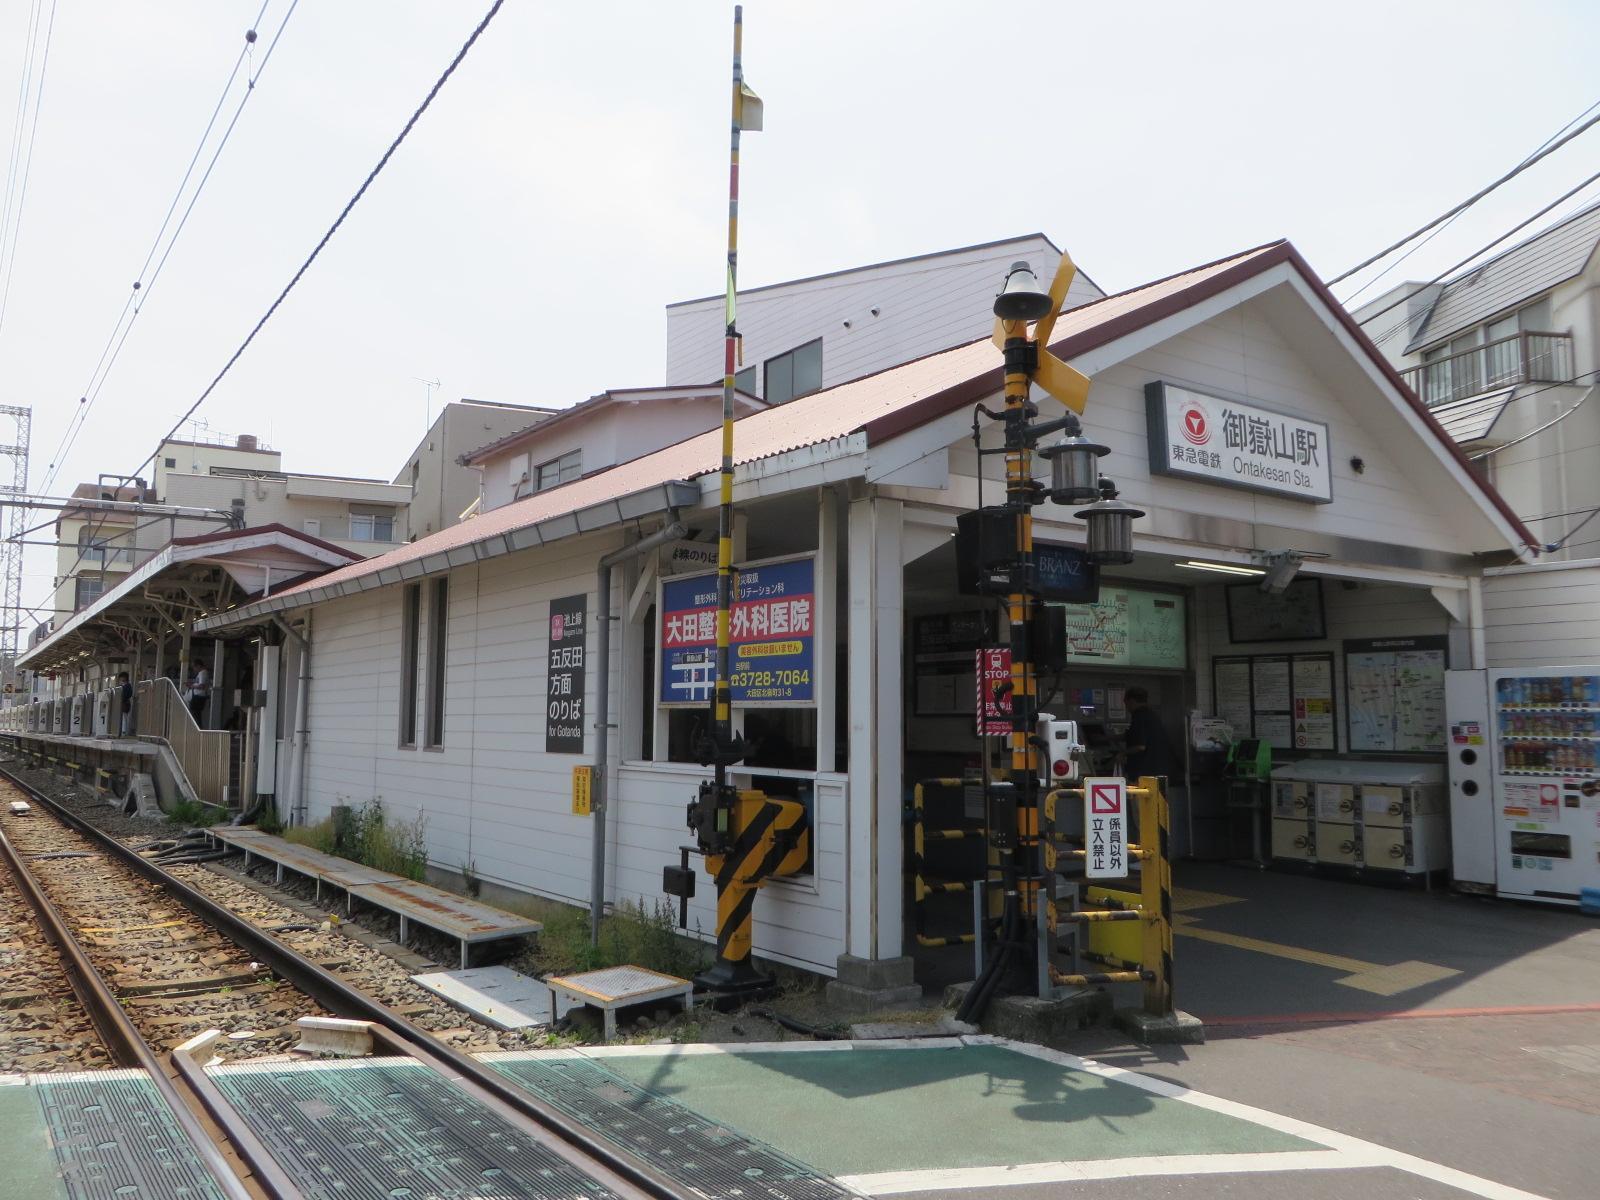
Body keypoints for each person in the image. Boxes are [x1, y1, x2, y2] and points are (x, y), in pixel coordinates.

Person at [1121, 686, 1175, 783]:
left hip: (1145, 772)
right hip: (1159, 770)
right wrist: (1106, 738)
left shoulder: (1139, 716)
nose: (1126, 707)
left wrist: (1121, 754)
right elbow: (1133, 735)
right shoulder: (1151, 715)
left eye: (1126, 703)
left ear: (1132, 701)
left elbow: (1140, 746)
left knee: (1141, 797)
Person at [116, 671, 133, 736]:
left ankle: (124, 731)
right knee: (123, 717)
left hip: (124, 703)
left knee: (124, 717)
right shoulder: (123, 686)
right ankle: (122, 731)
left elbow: (127, 694)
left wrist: (122, 698)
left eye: (121, 678)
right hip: (123, 703)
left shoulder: (127, 686)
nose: (121, 680)